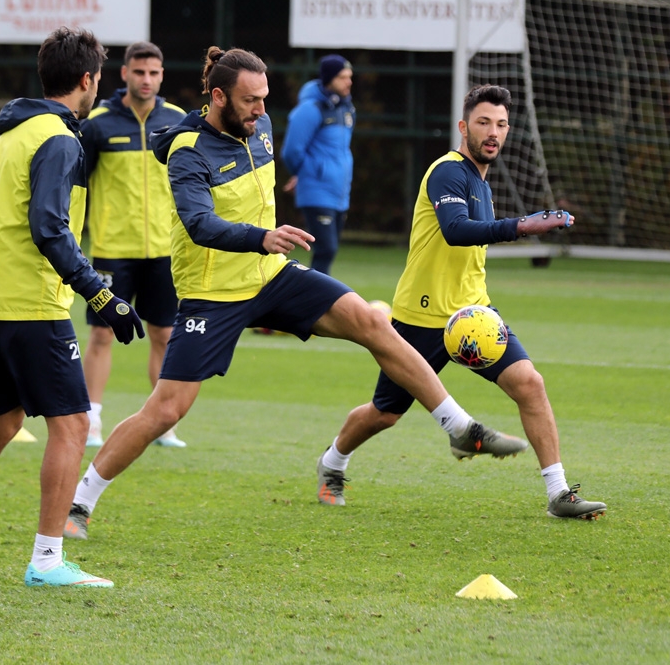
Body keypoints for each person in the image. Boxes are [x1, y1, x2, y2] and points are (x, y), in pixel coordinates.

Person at [62, 49, 526, 541]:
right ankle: (79, 502)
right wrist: (261, 236)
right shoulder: (188, 150)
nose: (261, 110)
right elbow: (199, 223)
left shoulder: (259, 125)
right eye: (250, 100)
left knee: (372, 323)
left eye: (264, 98)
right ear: (218, 97)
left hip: (272, 275)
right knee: (166, 410)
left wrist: (267, 242)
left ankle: (459, 428)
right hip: (214, 294)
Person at [316, 84, 607, 520]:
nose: (493, 132)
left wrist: (515, 231)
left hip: (475, 315)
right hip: (421, 316)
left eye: (501, 124)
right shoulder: (447, 172)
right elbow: (456, 230)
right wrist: (520, 227)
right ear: (463, 126)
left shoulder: (481, 182)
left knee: (530, 384)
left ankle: (559, 493)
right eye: (483, 122)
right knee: (385, 414)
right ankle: (332, 463)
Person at [0, 27, 144, 588]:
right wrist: (101, 295)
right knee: (72, 425)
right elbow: (49, 227)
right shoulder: (59, 140)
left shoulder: (11, 135)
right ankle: (47, 560)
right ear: (88, 80)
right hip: (30, 303)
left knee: (1, 423)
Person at [80, 41, 187, 450]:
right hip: (113, 248)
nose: (146, 80)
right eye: (139, 72)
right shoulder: (98, 123)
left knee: (164, 334)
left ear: (162, 76)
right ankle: (91, 421)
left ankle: (162, 423)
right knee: (102, 335)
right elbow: (77, 184)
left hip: (164, 249)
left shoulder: (177, 121)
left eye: (153, 73)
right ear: (124, 74)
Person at [280, 54, 355, 275]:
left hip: (339, 192)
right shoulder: (310, 109)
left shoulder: (346, 109)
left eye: (349, 76)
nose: (349, 82)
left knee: (328, 251)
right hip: (317, 190)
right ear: (328, 79)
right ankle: (312, 294)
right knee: (326, 249)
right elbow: (291, 151)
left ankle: (313, 293)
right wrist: (305, 174)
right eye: (342, 77)